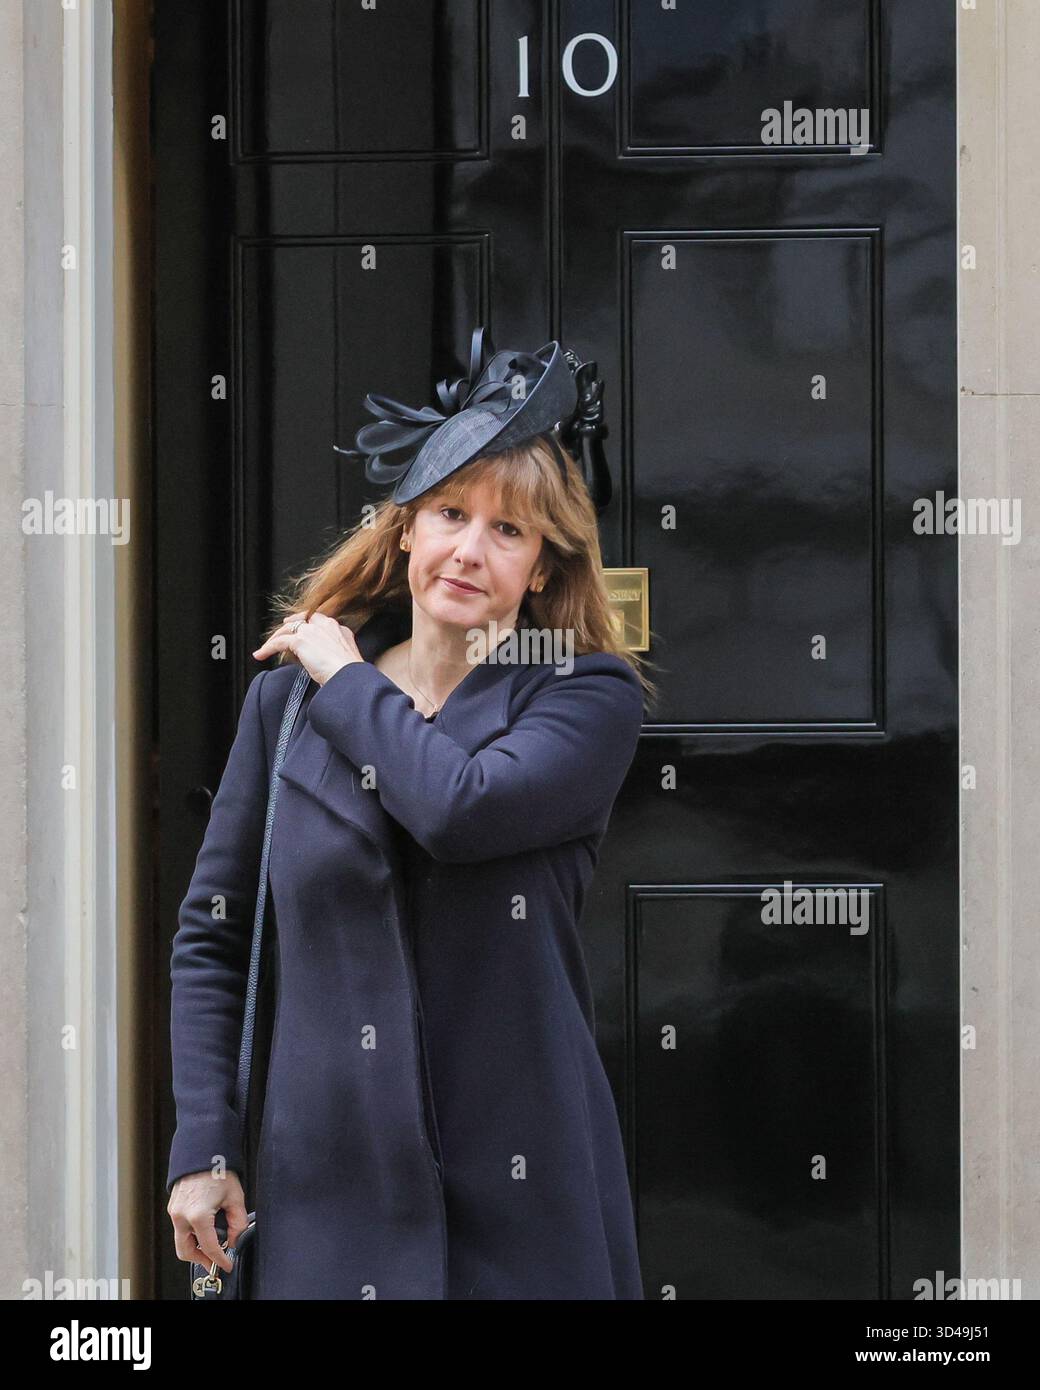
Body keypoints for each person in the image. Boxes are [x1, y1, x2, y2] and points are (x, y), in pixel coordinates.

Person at [166, 326, 657, 1298]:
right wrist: (202, 1142)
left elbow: (458, 809)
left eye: (508, 530)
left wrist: (347, 679)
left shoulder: (582, 697)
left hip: (522, 1208)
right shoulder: (285, 702)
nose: (470, 549)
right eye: (449, 512)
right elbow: (213, 934)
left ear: (545, 569)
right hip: (323, 1203)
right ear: (404, 527)